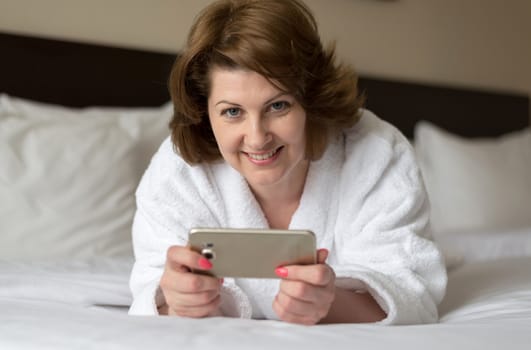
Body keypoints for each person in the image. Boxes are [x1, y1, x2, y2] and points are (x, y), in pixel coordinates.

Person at [129, 0, 447, 325]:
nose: (257, 137)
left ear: (310, 97)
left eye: (278, 105)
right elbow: (151, 298)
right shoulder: (179, 171)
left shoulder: (376, 154)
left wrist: (329, 301)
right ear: (204, 111)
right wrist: (179, 301)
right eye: (232, 112)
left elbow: (412, 293)